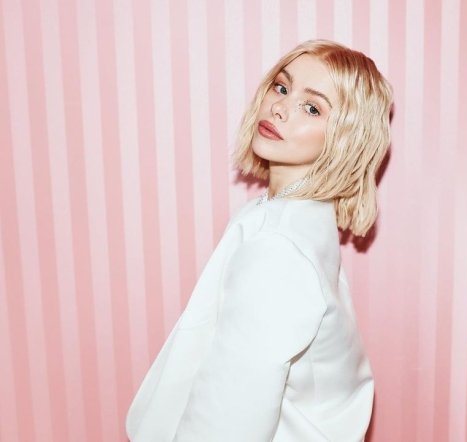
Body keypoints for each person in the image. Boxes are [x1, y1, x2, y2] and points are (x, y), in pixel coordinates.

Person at [125, 39, 393, 442]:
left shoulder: (278, 249)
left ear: (344, 139)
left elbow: (228, 419)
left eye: (312, 108)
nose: (280, 107)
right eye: (281, 87)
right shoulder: (296, 221)